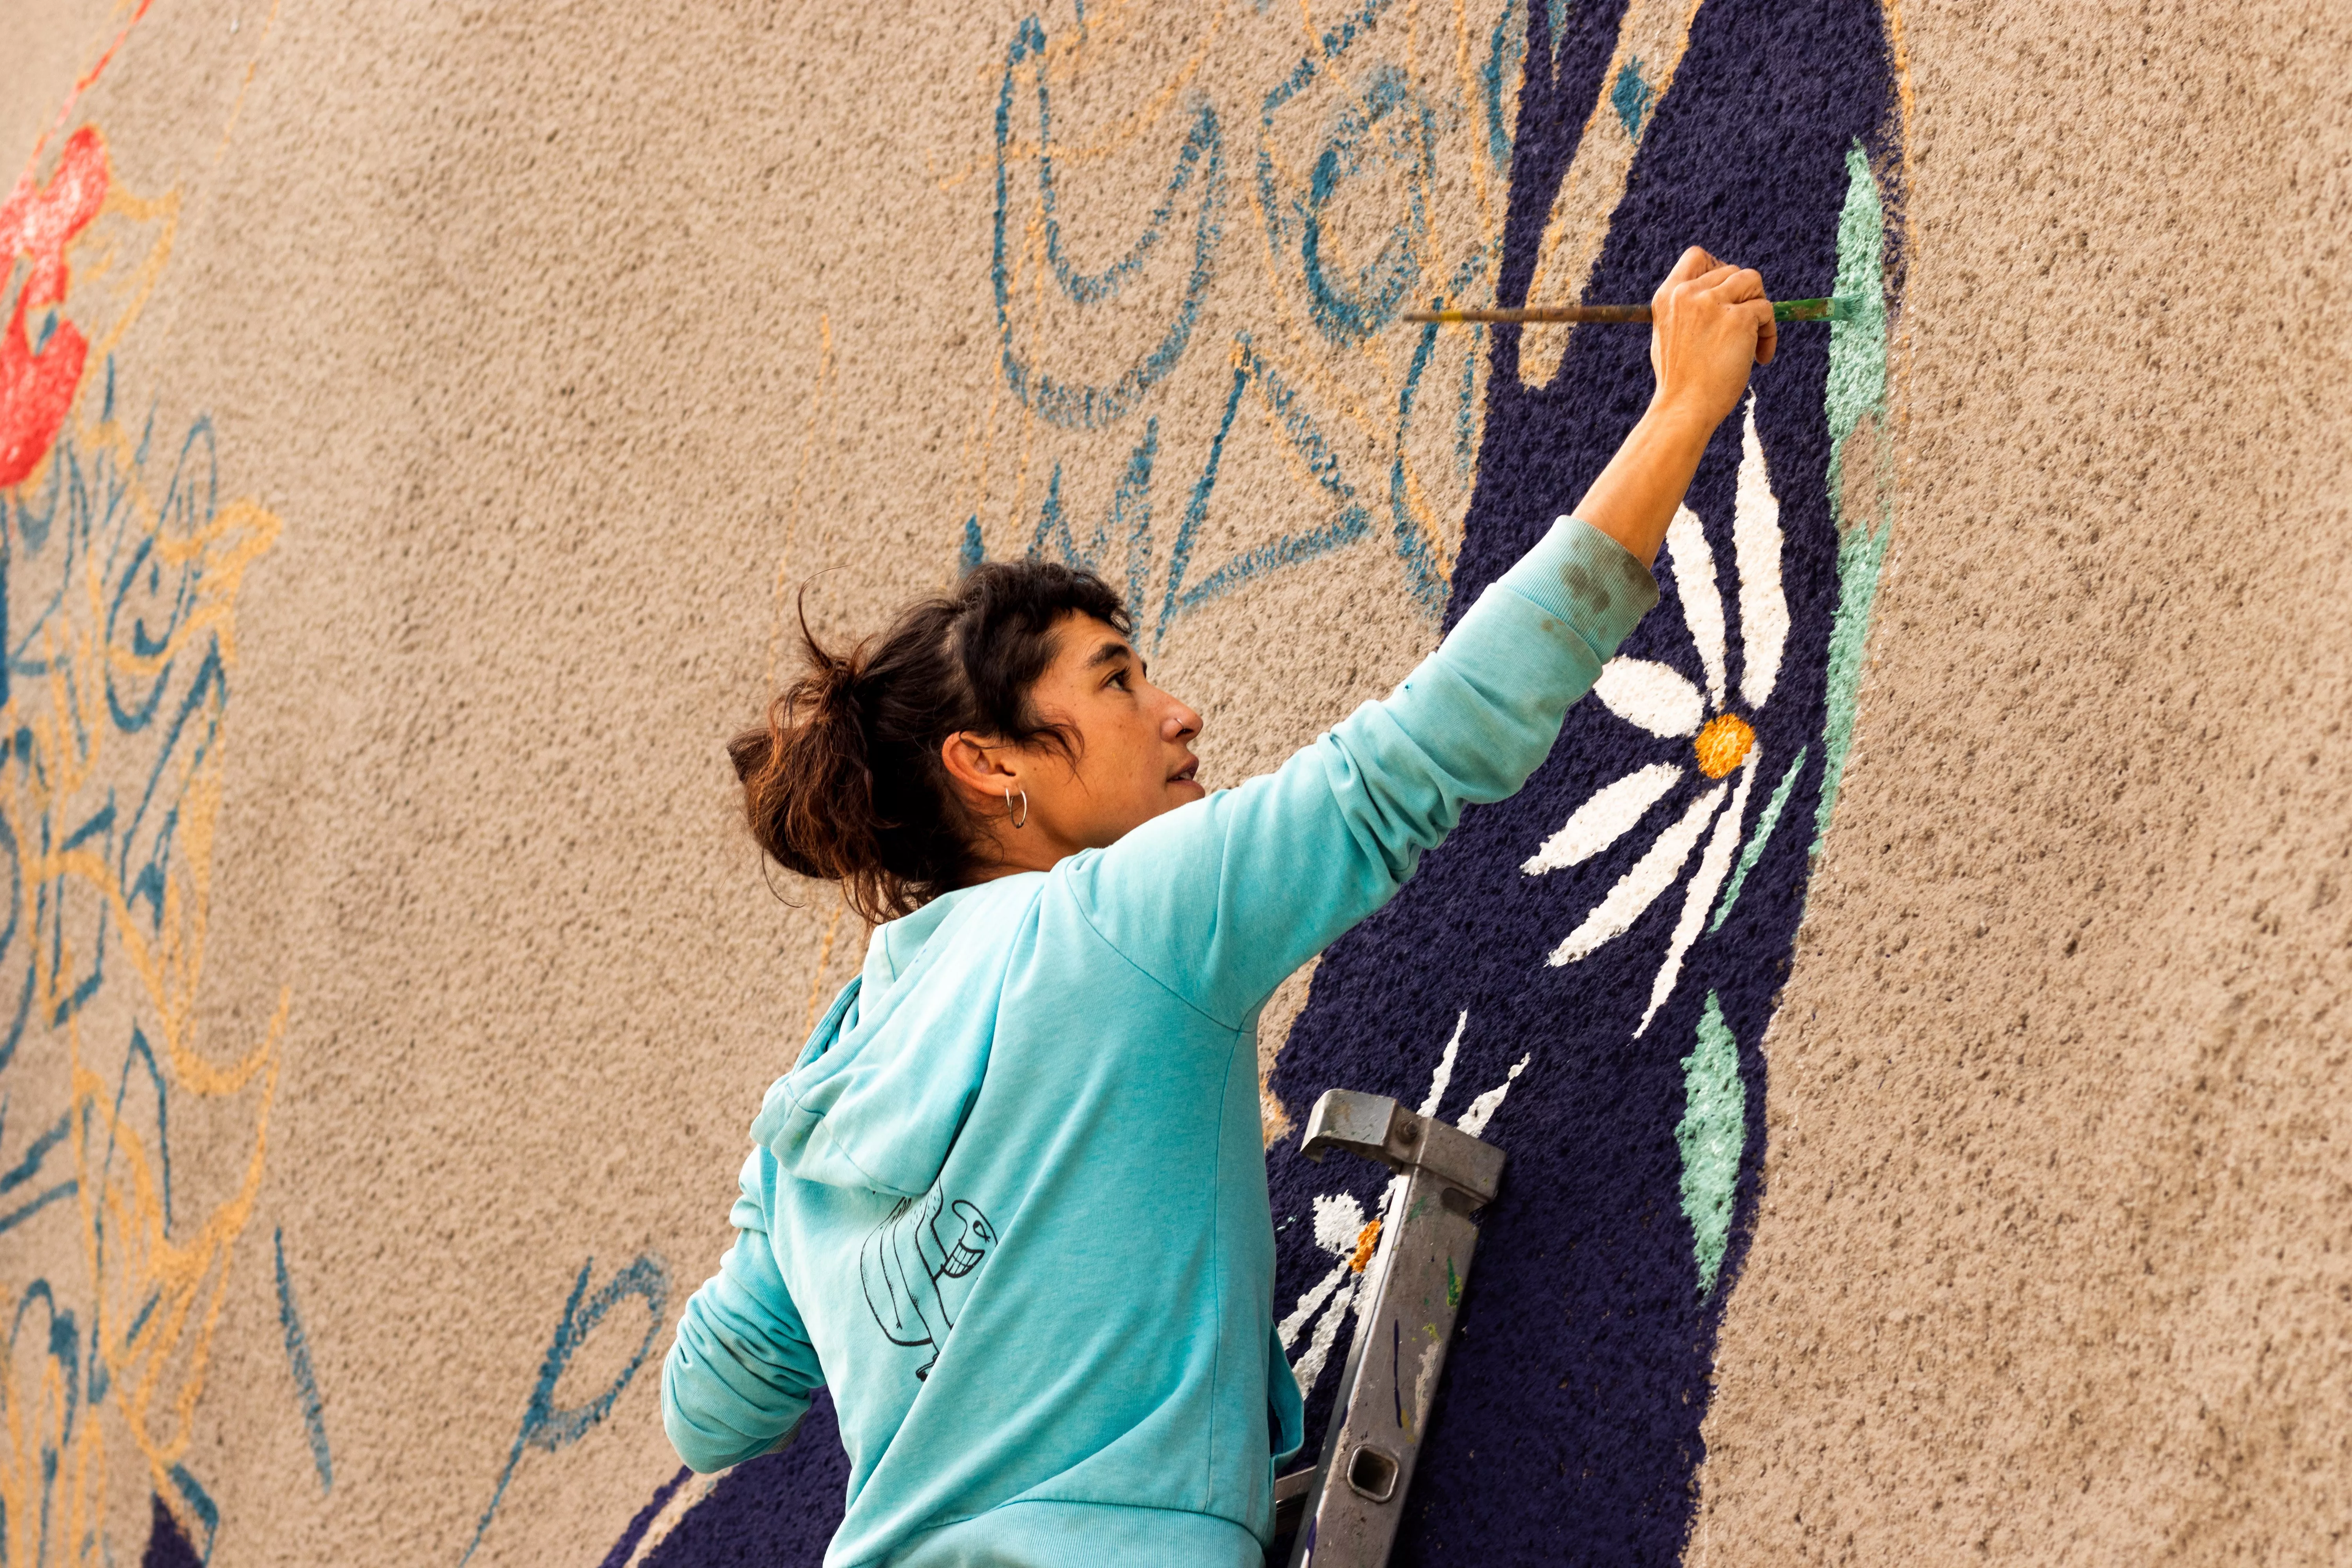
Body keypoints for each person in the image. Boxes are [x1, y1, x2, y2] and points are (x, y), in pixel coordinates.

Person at [661, 247, 1778, 1566]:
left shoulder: (823, 1099)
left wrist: (786, 1220)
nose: (1178, 710)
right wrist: (1680, 411)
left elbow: (711, 1411)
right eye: (1120, 679)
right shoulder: (1113, 927)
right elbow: (1420, 754)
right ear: (991, 767)